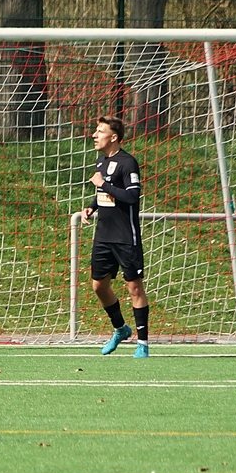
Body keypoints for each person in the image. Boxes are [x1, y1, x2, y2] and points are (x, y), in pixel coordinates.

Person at [81, 115, 149, 358]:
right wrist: (91, 207)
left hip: (125, 237)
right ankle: (120, 328)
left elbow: (131, 196)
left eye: (100, 131)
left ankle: (143, 343)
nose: (94, 135)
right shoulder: (101, 161)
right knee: (99, 285)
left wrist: (103, 184)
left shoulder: (128, 163)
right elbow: (105, 192)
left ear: (114, 137)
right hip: (103, 236)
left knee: (134, 287)